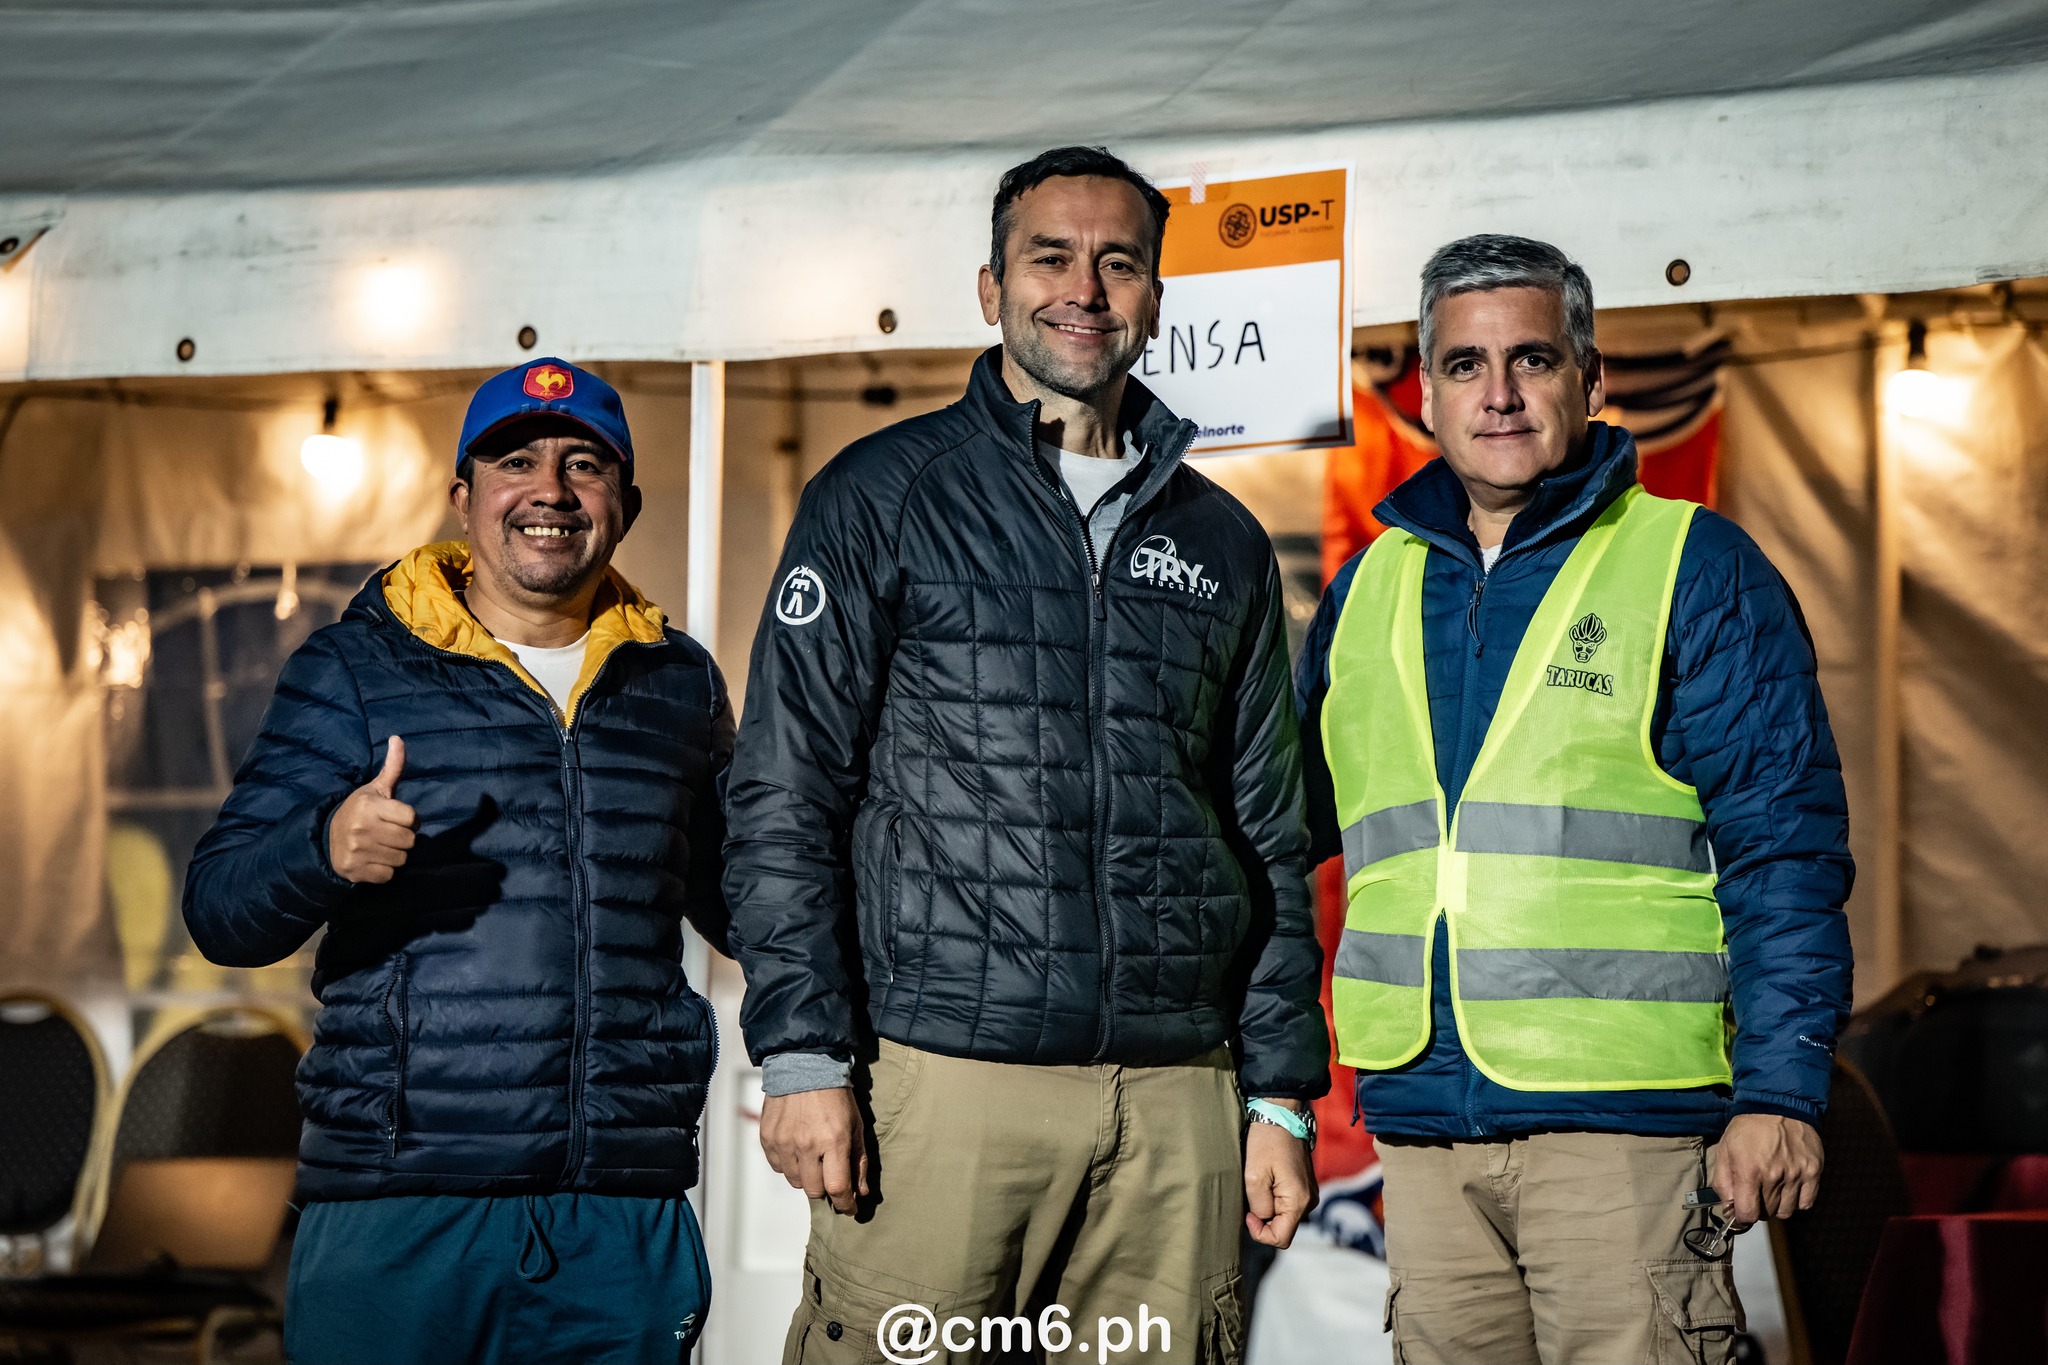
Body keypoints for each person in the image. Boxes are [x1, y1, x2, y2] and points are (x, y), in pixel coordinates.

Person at [723, 145, 1329, 1364]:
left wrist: (1275, 1095)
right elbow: (783, 792)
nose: (1084, 289)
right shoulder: (882, 495)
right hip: (942, 1089)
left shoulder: (1221, 541)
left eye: (1118, 263)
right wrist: (800, 1055)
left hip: (1175, 1103)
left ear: (1156, 297)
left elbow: (1268, 834)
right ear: (991, 288)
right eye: (1048, 257)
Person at [1297, 234, 1855, 1365]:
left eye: (1531, 361)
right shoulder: (1364, 588)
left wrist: (1780, 1092)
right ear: (1423, 393)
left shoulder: (1691, 565)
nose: (1495, 395)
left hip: (1625, 1138)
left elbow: (1781, 849)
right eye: (1462, 365)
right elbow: (1265, 837)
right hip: (1419, 1129)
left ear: (1589, 379)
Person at [184, 359, 731, 1365]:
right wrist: (323, 849)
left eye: (584, 465)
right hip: (404, 1206)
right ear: (463, 497)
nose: (550, 492)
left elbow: (744, 901)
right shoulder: (354, 669)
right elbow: (221, 908)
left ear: (627, 502)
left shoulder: (675, 683)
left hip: (619, 1211)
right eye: (514, 461)